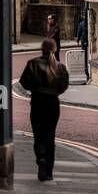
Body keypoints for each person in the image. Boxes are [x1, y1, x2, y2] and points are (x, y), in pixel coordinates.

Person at [19, 40, 69, 181]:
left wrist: (35, 89)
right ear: (54, 48)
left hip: (37, 101)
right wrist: (54, 92)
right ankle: (48, 173)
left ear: (41, 49)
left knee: (38, 133)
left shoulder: (33, 64)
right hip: (53, 103)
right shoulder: (60, 67)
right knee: (50, 135)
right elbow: (63, 86)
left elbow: (23, 82)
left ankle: (41, 156)